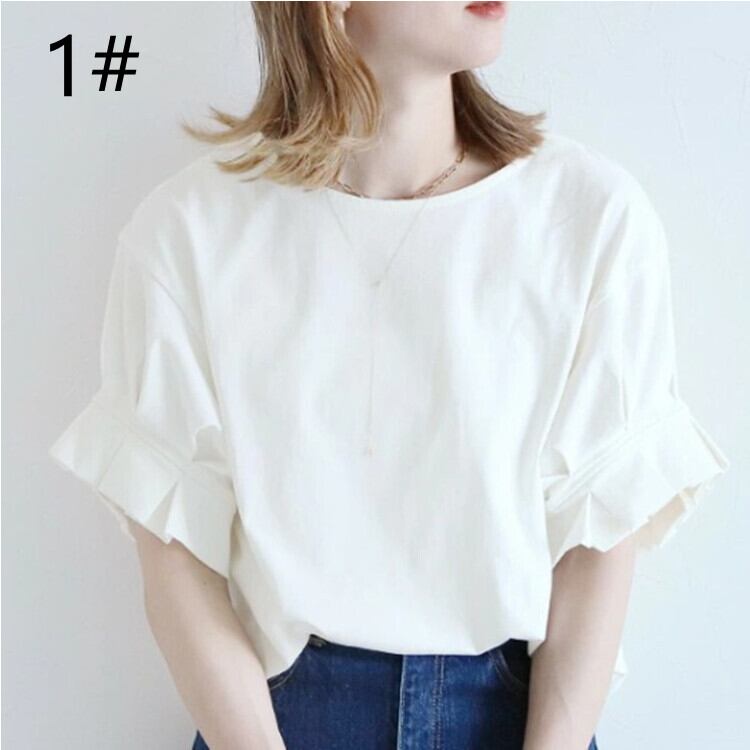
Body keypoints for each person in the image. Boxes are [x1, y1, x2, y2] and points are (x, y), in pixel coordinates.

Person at [48, 2, 730, 749]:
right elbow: (177, 563)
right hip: (276, 720)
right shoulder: (191, 230)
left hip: (520, 719)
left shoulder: (587, 218)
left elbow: (595, 549)